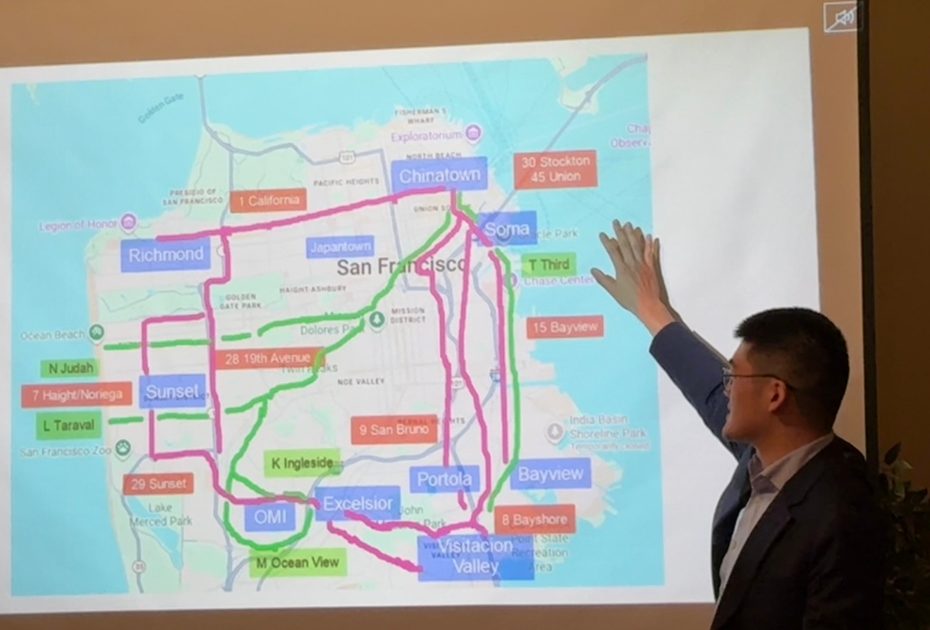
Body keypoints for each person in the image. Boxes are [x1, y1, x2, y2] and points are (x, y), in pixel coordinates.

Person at [591, 220, 886, 629]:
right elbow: (708, 389)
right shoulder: (766, 458)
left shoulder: (839, 510)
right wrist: (657, 313)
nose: (726, 388)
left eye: (735, 376)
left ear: (775, 395)